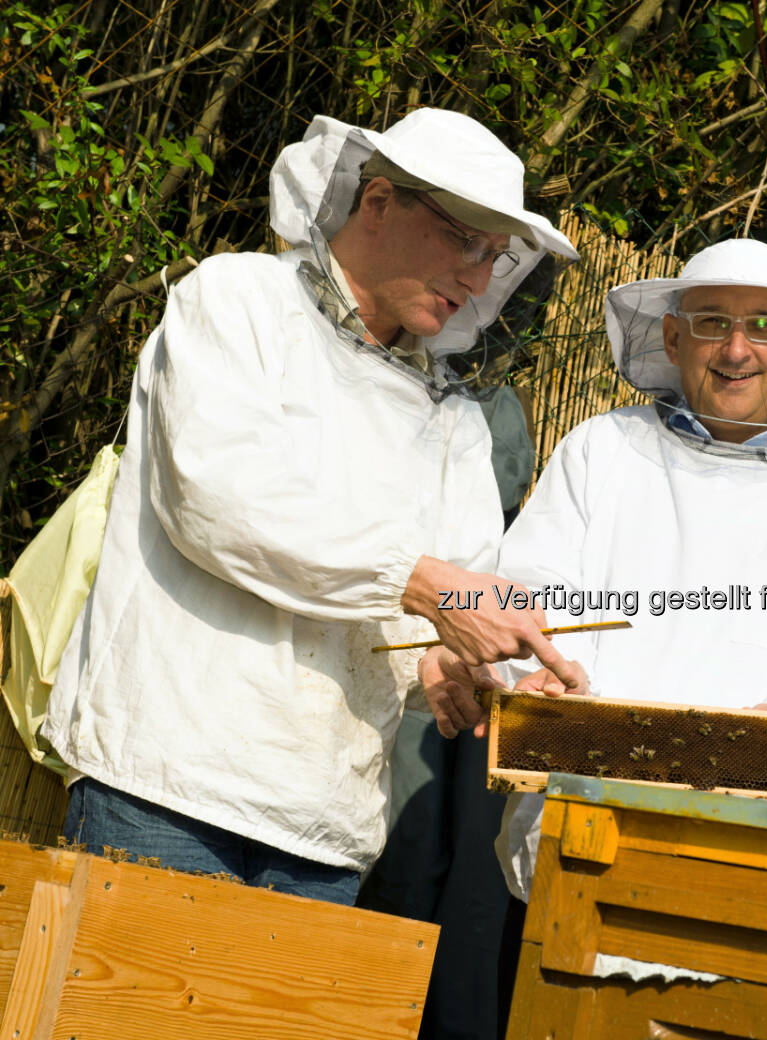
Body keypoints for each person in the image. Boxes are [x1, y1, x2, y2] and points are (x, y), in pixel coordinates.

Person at [41, 107, 584, 904]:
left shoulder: (456, 422)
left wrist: (458, 665)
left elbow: (428, 611)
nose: (477, 278)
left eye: (496, 258)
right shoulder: (236, 302)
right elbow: (217, 501)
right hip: (161, 788)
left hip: (324, 830)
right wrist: (428, 589)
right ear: (378, 203)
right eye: (466, 242)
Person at [421, 238, 767, 899]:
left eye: (764, 326)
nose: (737, 350)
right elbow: (532, 607)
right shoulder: (604, 452)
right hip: (591, 843)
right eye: (713, 322)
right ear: (676, 338)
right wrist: (532, 678)